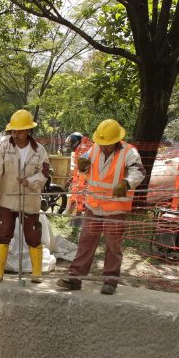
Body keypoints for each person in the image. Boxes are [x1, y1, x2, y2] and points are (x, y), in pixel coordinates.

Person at [56, 118, 144, 295]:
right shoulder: (95, 148)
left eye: (107, 144)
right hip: (94, 205)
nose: (103, 147)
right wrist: (82, 165)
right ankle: (75, 277)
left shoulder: (129, 152)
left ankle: (110, 281)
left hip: (116, 208)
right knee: (86, 242)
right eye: (101, 143)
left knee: (113, 245)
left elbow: (139, 171)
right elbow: (86, 163)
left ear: (116, 141)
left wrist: (127, 183)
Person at [0, 109, 51, 282]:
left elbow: (44, 174)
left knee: (33, 235)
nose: (16, 134)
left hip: (30, 199)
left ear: (28, 131)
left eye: (19, 131)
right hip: (8, 198)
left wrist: (31, 181)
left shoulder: (39, 150)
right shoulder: (4, 147)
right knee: (3, 232)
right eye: (13, 131)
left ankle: (36, 272)